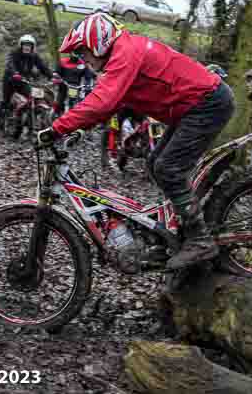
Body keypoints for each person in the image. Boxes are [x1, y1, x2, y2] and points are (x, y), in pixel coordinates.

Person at [38, 13, 235, 270]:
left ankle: (199, 239)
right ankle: (180, 226)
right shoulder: (122, 54)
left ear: (98, 40)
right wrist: (79, 129)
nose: (82, 59)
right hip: (190, 107)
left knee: (168, 168)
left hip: (206, 103)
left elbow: (103, 100)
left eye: (83, 51)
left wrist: (56, 128)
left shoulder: (125, 52)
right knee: (155, 163)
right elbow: (111, 105)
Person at [0, 35, 52, 116]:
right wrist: (15, 73)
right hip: (10, 81)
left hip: (23, 81)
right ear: (21, 45)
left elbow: (42, 67)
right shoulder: (14, 53)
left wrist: (52, 76)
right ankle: (5, 117)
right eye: (25, 45)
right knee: (7, 101)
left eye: (29, 45)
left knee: (33, 98)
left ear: (32, 47)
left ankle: (29, 116)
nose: (27, 47)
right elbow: (10, 64)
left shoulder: (34, 56)